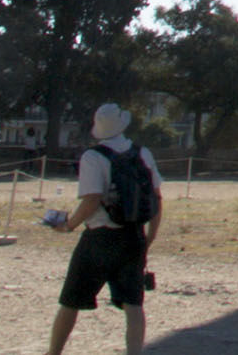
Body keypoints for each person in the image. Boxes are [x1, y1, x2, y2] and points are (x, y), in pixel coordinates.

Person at [48, 105, 163, 355]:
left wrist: (69, 225)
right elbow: (156, 198)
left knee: (71, 300)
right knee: (133, 304)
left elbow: (91, 200)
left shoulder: (93, 157)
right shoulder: (143, 153)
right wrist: (149, 239)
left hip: (99, 237)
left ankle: (53, 352)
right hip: (134, 235)